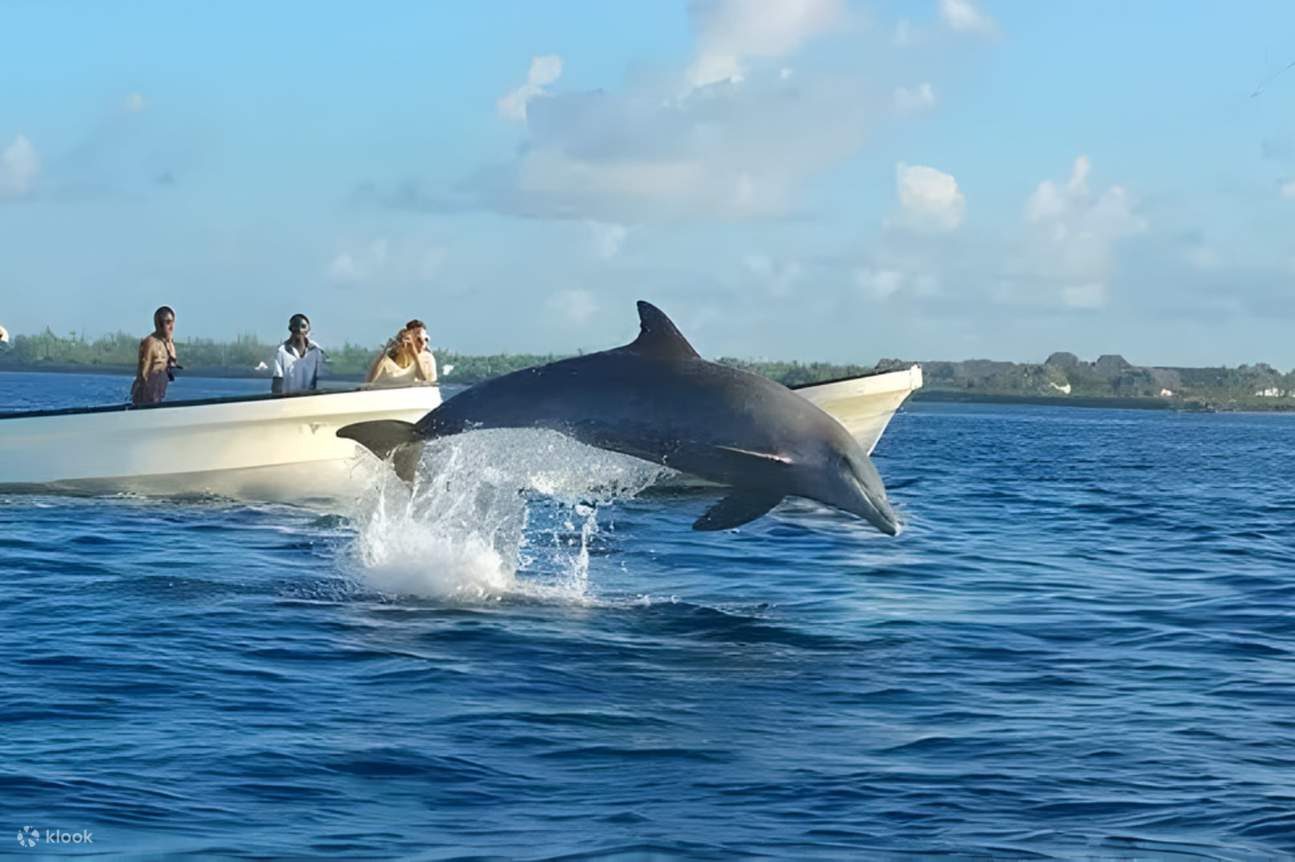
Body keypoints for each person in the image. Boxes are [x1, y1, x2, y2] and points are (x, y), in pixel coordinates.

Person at [365, 319, 438, 388]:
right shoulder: (388, 359)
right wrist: (386, 351)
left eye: (425, 340)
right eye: (418, 339)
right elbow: (369, 381)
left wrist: (414, 354)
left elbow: (424, 382)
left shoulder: (426, 359)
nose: (423, 343)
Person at [131, 306, 179, 406]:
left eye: (172, 323)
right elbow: (144, 372)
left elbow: (173, 364)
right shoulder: (151, 343)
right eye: (168, 323)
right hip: (147, 392)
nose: (171, 327)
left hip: (159, 390)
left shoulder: (169, 343)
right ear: (159, 324)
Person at [271, 313, 325, 394]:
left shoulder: (316, 351)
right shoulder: (282, 351)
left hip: (311, 400)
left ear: (308, 329)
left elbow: (321, 381)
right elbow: (277, 383)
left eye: (303, 326)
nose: (299, 330)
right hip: (288, 400)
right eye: (296, 326)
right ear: (290, 328)